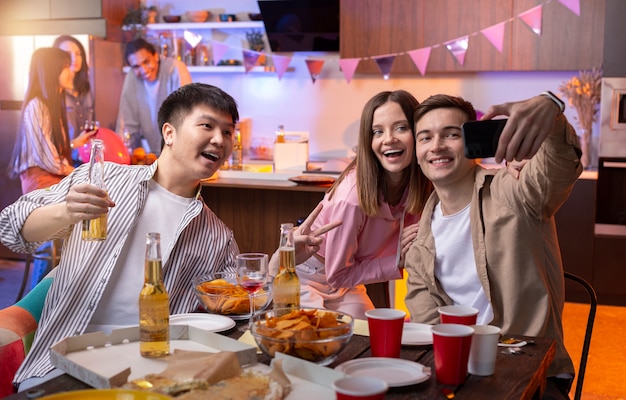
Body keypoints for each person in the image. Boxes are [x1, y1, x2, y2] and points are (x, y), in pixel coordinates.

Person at [0, 83, 337, 390]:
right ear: (170, 132)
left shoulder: (216, 234)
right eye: (207, 126)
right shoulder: (106, 179)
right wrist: (66, 213)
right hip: (62, 366)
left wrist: (280, 263)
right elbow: (10, 227)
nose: (220, 140)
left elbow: (238, 309)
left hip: (153, 373)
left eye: (227, 131)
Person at [404, 93, 582, 398]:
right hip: (464, 373)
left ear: (473, 142)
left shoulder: (514, 189)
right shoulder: (420, 242)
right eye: (425, 137)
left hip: (533, 370)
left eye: (451, 134)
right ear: (417, 151)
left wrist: (551, 112)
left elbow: (561, 163)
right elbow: (428, 330)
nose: (437, 146)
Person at [284, 90, 431, 319]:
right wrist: (396, 263)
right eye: (377, 131)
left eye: (401, 127)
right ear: (368, 141)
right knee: (317, 339)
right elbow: (337, 274)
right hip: (306, 277)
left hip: (347, 281)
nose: (389, 138)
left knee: (366, 336)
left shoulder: (423, 186)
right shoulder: (351, 197)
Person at [9, 47, 96, 195]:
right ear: (51, 72)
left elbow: (46, 148)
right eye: (66, 67)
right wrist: (78, 174)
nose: (71, 72)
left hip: (52, 178)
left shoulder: (49, 104)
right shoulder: (37, 106)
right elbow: (47, 159)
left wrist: (74, 143)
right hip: (42, 182)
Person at [116, 38, 192, 155]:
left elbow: (185, 115)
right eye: (136, 66)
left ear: (156, 56)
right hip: (156, 154)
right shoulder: (132, 77)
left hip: (182, 151)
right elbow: (125, 123)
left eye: (147, 61)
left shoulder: (175, 69)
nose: (144, 70)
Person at [53, 36, 95, 146]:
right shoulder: (54, 91)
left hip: (85, 156)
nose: (74, 58)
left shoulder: (87, 88)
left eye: (78, 53)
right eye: (67, 54)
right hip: (63, 157)